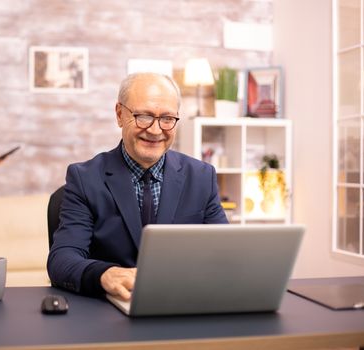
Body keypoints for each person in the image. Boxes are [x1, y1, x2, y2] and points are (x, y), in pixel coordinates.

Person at [47, 72, 228, 300]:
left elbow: (225, 254)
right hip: (111, 310)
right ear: (120, 114)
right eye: (144, 116)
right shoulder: (85, 178)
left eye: (167, 118)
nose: (155, 130)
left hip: (182, 304)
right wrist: (104, 275)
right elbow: (62, 259)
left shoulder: (202, 177)